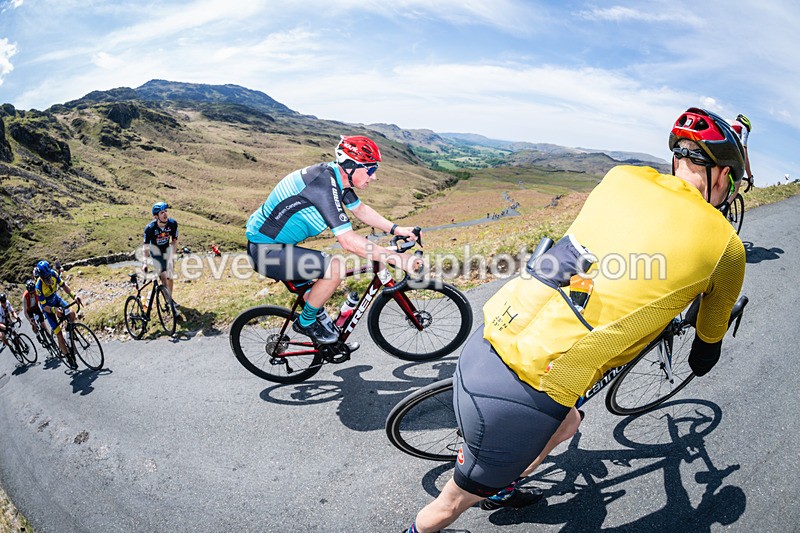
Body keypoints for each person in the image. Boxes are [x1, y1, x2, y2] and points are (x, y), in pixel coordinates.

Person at [405, 107, 747, 533]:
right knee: (446, 509)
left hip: (489, 336)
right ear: (723, 176)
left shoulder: (621, 177)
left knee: (569, 422)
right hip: (520, 396)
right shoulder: (727, 247)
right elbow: (705, 350)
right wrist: (705, 339)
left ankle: (500, 478)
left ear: (677, 158)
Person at [245, 135, 422, 344]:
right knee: (335, 267)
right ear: (350, 165)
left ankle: (329, 342)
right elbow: (347, 241)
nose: (374, 177)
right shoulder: (322, 185)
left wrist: (397, 229)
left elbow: (361, 210)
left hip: (280, 246)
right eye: (370, 170)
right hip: (266, 252)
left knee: (319, 294)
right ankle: (306, 322)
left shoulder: (337, 178)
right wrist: (397, 259)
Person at [35, 260, 82, 361]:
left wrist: (74, 296)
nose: (48, 279)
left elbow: (64, 286)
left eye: (48, 276)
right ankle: (68, 357)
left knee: (72, 313)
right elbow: (44, 307)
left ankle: (69, 331)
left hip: (56, 299)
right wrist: (54, 310)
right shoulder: (38, 287)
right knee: (59, 334)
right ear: (41, 277)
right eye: (45, 278)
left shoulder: (54, 274)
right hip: (48, 308)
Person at [142, 202, 179, 303]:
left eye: (166, 211)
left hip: (167, 250)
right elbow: (145, 246)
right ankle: (170, 302)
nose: (165, 214)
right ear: (156, 216)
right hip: (156, 253)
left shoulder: (172, 224)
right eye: (162, 212)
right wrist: (145, 262)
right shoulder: (150, 228)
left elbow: (174, 242)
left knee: (170, 276)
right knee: (163, 277)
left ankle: (169, 301)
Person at [729, 113, 754, 201]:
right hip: (730, 156)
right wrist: (750, 176)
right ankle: (725, 207)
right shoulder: (744, 129)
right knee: (737, 183)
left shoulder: (728, 123)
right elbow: (744, 154)